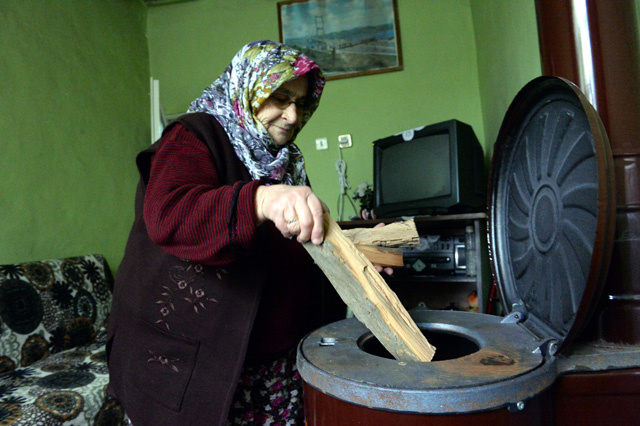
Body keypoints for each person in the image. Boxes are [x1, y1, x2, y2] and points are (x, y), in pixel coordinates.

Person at [106, 40, 332, 426]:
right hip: (197, 371)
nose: (293, 116)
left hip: (275, 366)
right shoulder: (193, 136)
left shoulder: (285, 165)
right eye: (279, 97)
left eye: (301, 103)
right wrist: (260, 201)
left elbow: (294, 245)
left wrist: (355, 254)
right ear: (248, 87)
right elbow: (170, 214)